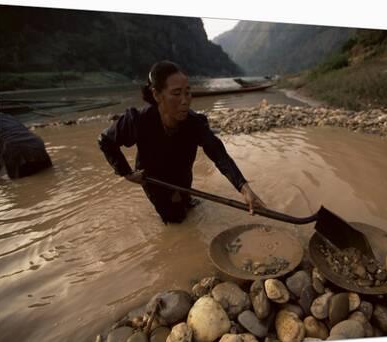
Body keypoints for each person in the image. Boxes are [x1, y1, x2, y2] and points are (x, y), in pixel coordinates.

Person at [98, 60, 266, 224]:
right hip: (155, 181)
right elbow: (105, 140)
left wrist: (245, 190)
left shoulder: (194, 123)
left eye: (188, 92)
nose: (185, 100)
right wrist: (127, 173)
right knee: (176, 220)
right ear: (157, 94)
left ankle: (185, 201)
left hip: (182, 175)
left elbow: (218, 154)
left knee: (187, 204)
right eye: (177, 94)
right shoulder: (138, 120)